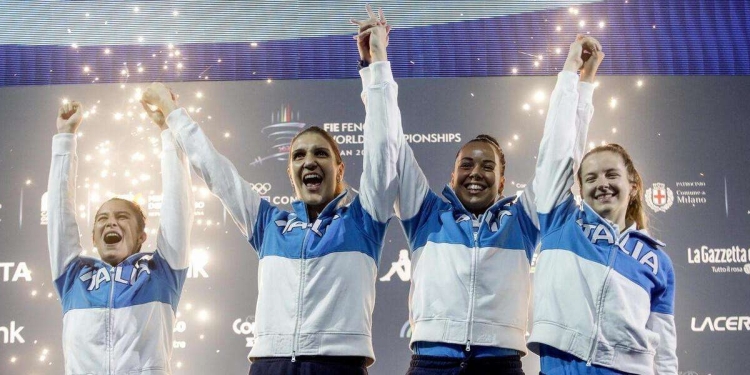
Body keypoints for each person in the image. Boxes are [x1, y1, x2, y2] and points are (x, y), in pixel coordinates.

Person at [141, 7, 399, 375]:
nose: (309, 161)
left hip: (338, 366)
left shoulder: (364, 218)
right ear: (290, 172)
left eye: (320, 153)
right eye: (298, 156)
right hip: (268, 365)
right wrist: (173, 114)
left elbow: (382, 143)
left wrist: (375, 66)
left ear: (340, 169)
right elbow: (216, 172)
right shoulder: (269, 225)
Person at [386, 34, 603, 374]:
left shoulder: (521, 220)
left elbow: (559, 160)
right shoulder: (426, 214)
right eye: (467, 165)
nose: (476, 173)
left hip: (500, 363)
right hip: (432, 364)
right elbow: (392, 145)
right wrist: (376, 66)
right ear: (453, 174)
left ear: (502, 182)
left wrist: (576, 81)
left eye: (488, 166)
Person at [527, 39, 678, 374]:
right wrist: (577, 79)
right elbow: (559, 150)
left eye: (611, 174)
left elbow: (664, 349)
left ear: (633, 185)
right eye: (591, 178)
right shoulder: (562, 224)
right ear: (580, 188)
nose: (601, 183)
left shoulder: (658, 262)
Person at [47, 100, 194, 374]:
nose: (111, 222)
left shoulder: (161, 273)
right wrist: (65, 138)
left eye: (122, 217)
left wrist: (168, 132)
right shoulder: (73, 277)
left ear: (141, 236)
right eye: (102, 218)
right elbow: (58, 212)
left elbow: (178, 206)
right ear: (93, 236)